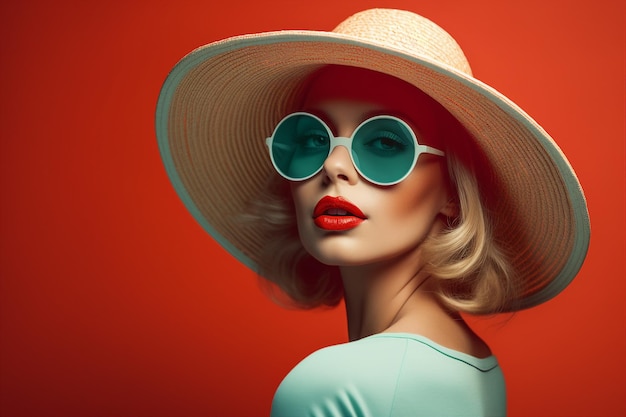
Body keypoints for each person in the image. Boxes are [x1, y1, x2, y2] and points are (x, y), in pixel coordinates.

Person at [155, 8, 590, 416]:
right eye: (311, 138)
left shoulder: (333, 388)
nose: (334, 166)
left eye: (385, 143)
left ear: (453, 191)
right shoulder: (476, 365)